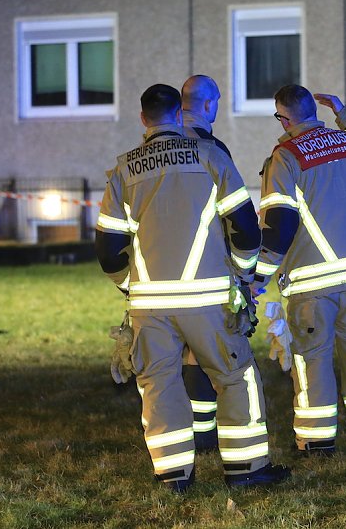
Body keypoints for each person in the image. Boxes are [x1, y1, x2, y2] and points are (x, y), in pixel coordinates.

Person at [95, 84, 290, 492]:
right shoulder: (210, 156)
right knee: (235, 377)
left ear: (143, 118)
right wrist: (241, 275)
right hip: (209, 301)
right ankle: (247, 469)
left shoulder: (124, 170)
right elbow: (244, 226)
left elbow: (109, 247)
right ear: (178, 113)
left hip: (151, 306)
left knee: (158, 385)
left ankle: (173, 476)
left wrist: (133, 285)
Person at [252, 84, 346, 456]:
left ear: (283, 118)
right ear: (313, 112)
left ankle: (317, 441)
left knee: (312, 359)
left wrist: (260, 277)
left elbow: (278, 224)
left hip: (311, 283)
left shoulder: (284, 157)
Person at [177, 75, 230, 452]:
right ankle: (204, 434)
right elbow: (233, 214)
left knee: (165, 357)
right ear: (209, 105)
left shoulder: (151, 152)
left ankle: (172, 439)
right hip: (205, 269)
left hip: (156, 275)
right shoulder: (212, 149)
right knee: (201, 353)